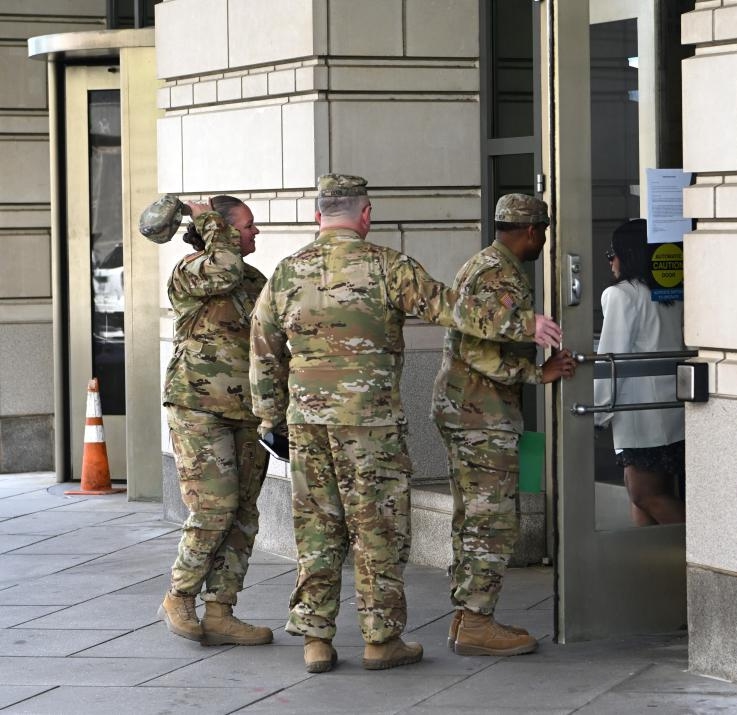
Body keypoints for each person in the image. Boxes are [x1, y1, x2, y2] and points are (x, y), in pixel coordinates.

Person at [248, 174, 563, 674]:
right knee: (379, 531)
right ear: (366, 215)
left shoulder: (285, 273)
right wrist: (524, 324)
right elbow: (449, 307)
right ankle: (380, 640)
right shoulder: (386, 266)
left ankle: (316, 640)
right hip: (369, 426)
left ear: (318, 216)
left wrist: (269, 417)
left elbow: (264, 349)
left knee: (317, 528)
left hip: (307, 424)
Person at [432, 194, 575, 657]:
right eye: (545, 232)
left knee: (471, 517)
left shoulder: (484, 264)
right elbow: (476, 349)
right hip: (481, 416)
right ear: (532, 232)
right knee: (491, 521)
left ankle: (464, 616)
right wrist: (538, 373)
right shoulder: (499, 274)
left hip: (468, 412)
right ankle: (477, 622)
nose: (545, 240)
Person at [159, 196, 273, 646]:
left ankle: (222, 610)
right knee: (213, 509)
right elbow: (221, 268)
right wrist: (206, 217)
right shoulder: (193, 271)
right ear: (217, 231)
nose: (255, 232)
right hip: (198, 408)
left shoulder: (254, 279)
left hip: (248, 411)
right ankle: (180, 595)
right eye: (247, 225)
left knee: (244, 512)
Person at [595, 219, 685, 526]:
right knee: (647, 495)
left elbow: (611, 357)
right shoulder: (668, 291)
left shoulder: (622, 295)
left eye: (613, 252)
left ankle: (705, 553)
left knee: (644, 493)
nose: (610, 260)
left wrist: (597, 410)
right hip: (671, 408)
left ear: (628, 254)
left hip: (641, 412)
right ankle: (649, 568)